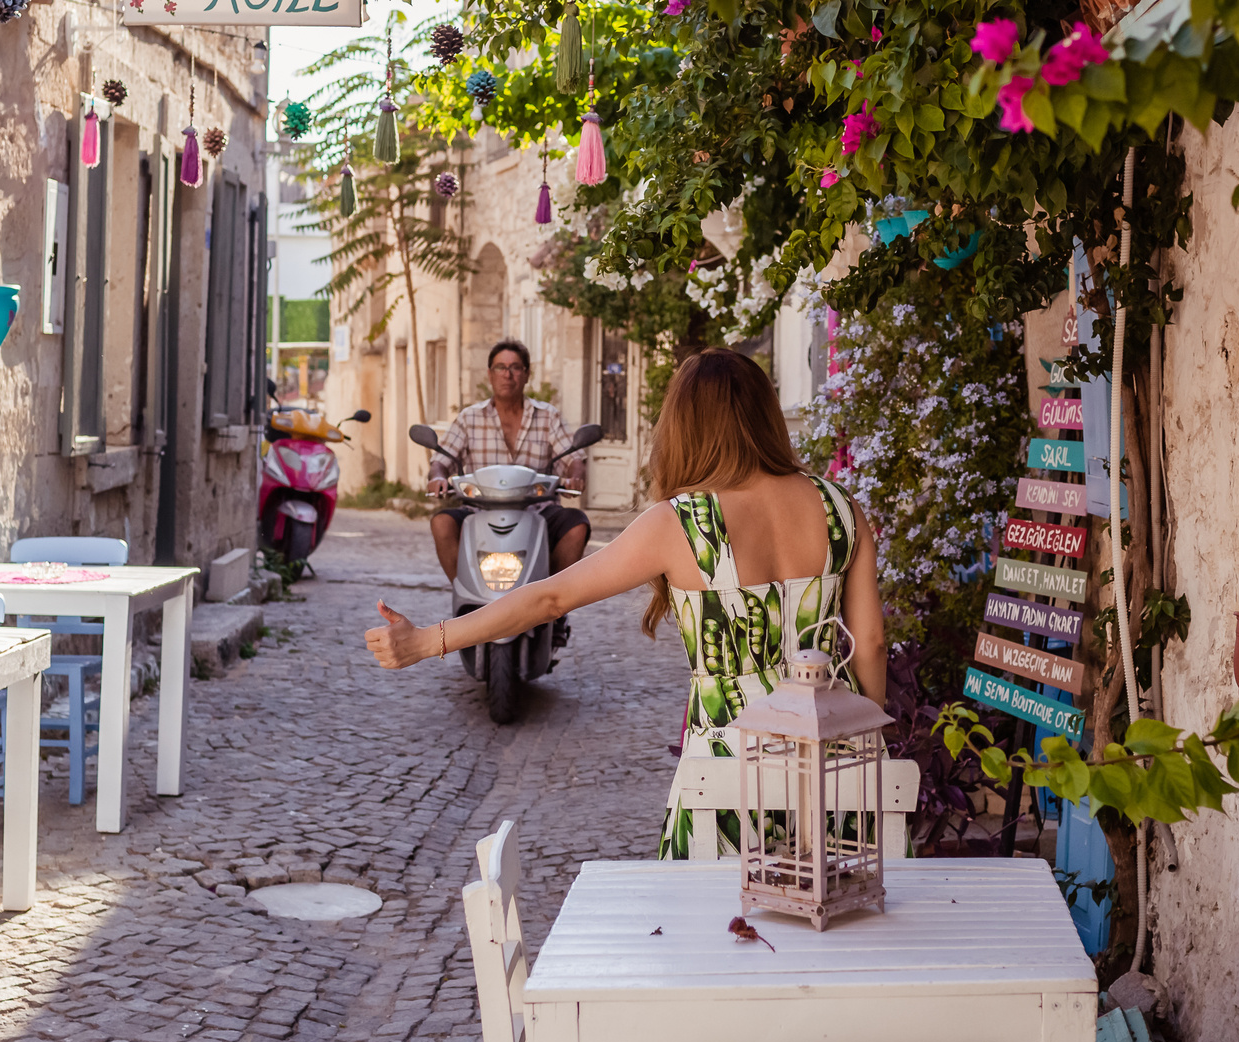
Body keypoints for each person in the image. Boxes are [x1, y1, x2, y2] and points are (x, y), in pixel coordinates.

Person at [371, 347, 886, 854]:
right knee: (838, 916)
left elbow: (549, 599)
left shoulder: (681, 522)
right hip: (838, 757)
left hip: (730, 766)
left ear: (687, 426)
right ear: (766, 415)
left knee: (718, 929)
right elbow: (872, 646)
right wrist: (862, 749)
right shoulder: (841, 507)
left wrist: (424, 641)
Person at [429, 339, 592, 583]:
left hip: (538, 511)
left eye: (515, 368)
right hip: (479, 510)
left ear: (526, 374)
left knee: (577, 525)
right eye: (500, 368)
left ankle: (552, 601)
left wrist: (576, 475)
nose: (508, 375)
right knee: (442, 523)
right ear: (489, 374)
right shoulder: (469, 418)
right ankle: (465, 589)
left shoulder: (548, 416)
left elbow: (572, 458)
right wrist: (438, 477)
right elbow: (442, 460)